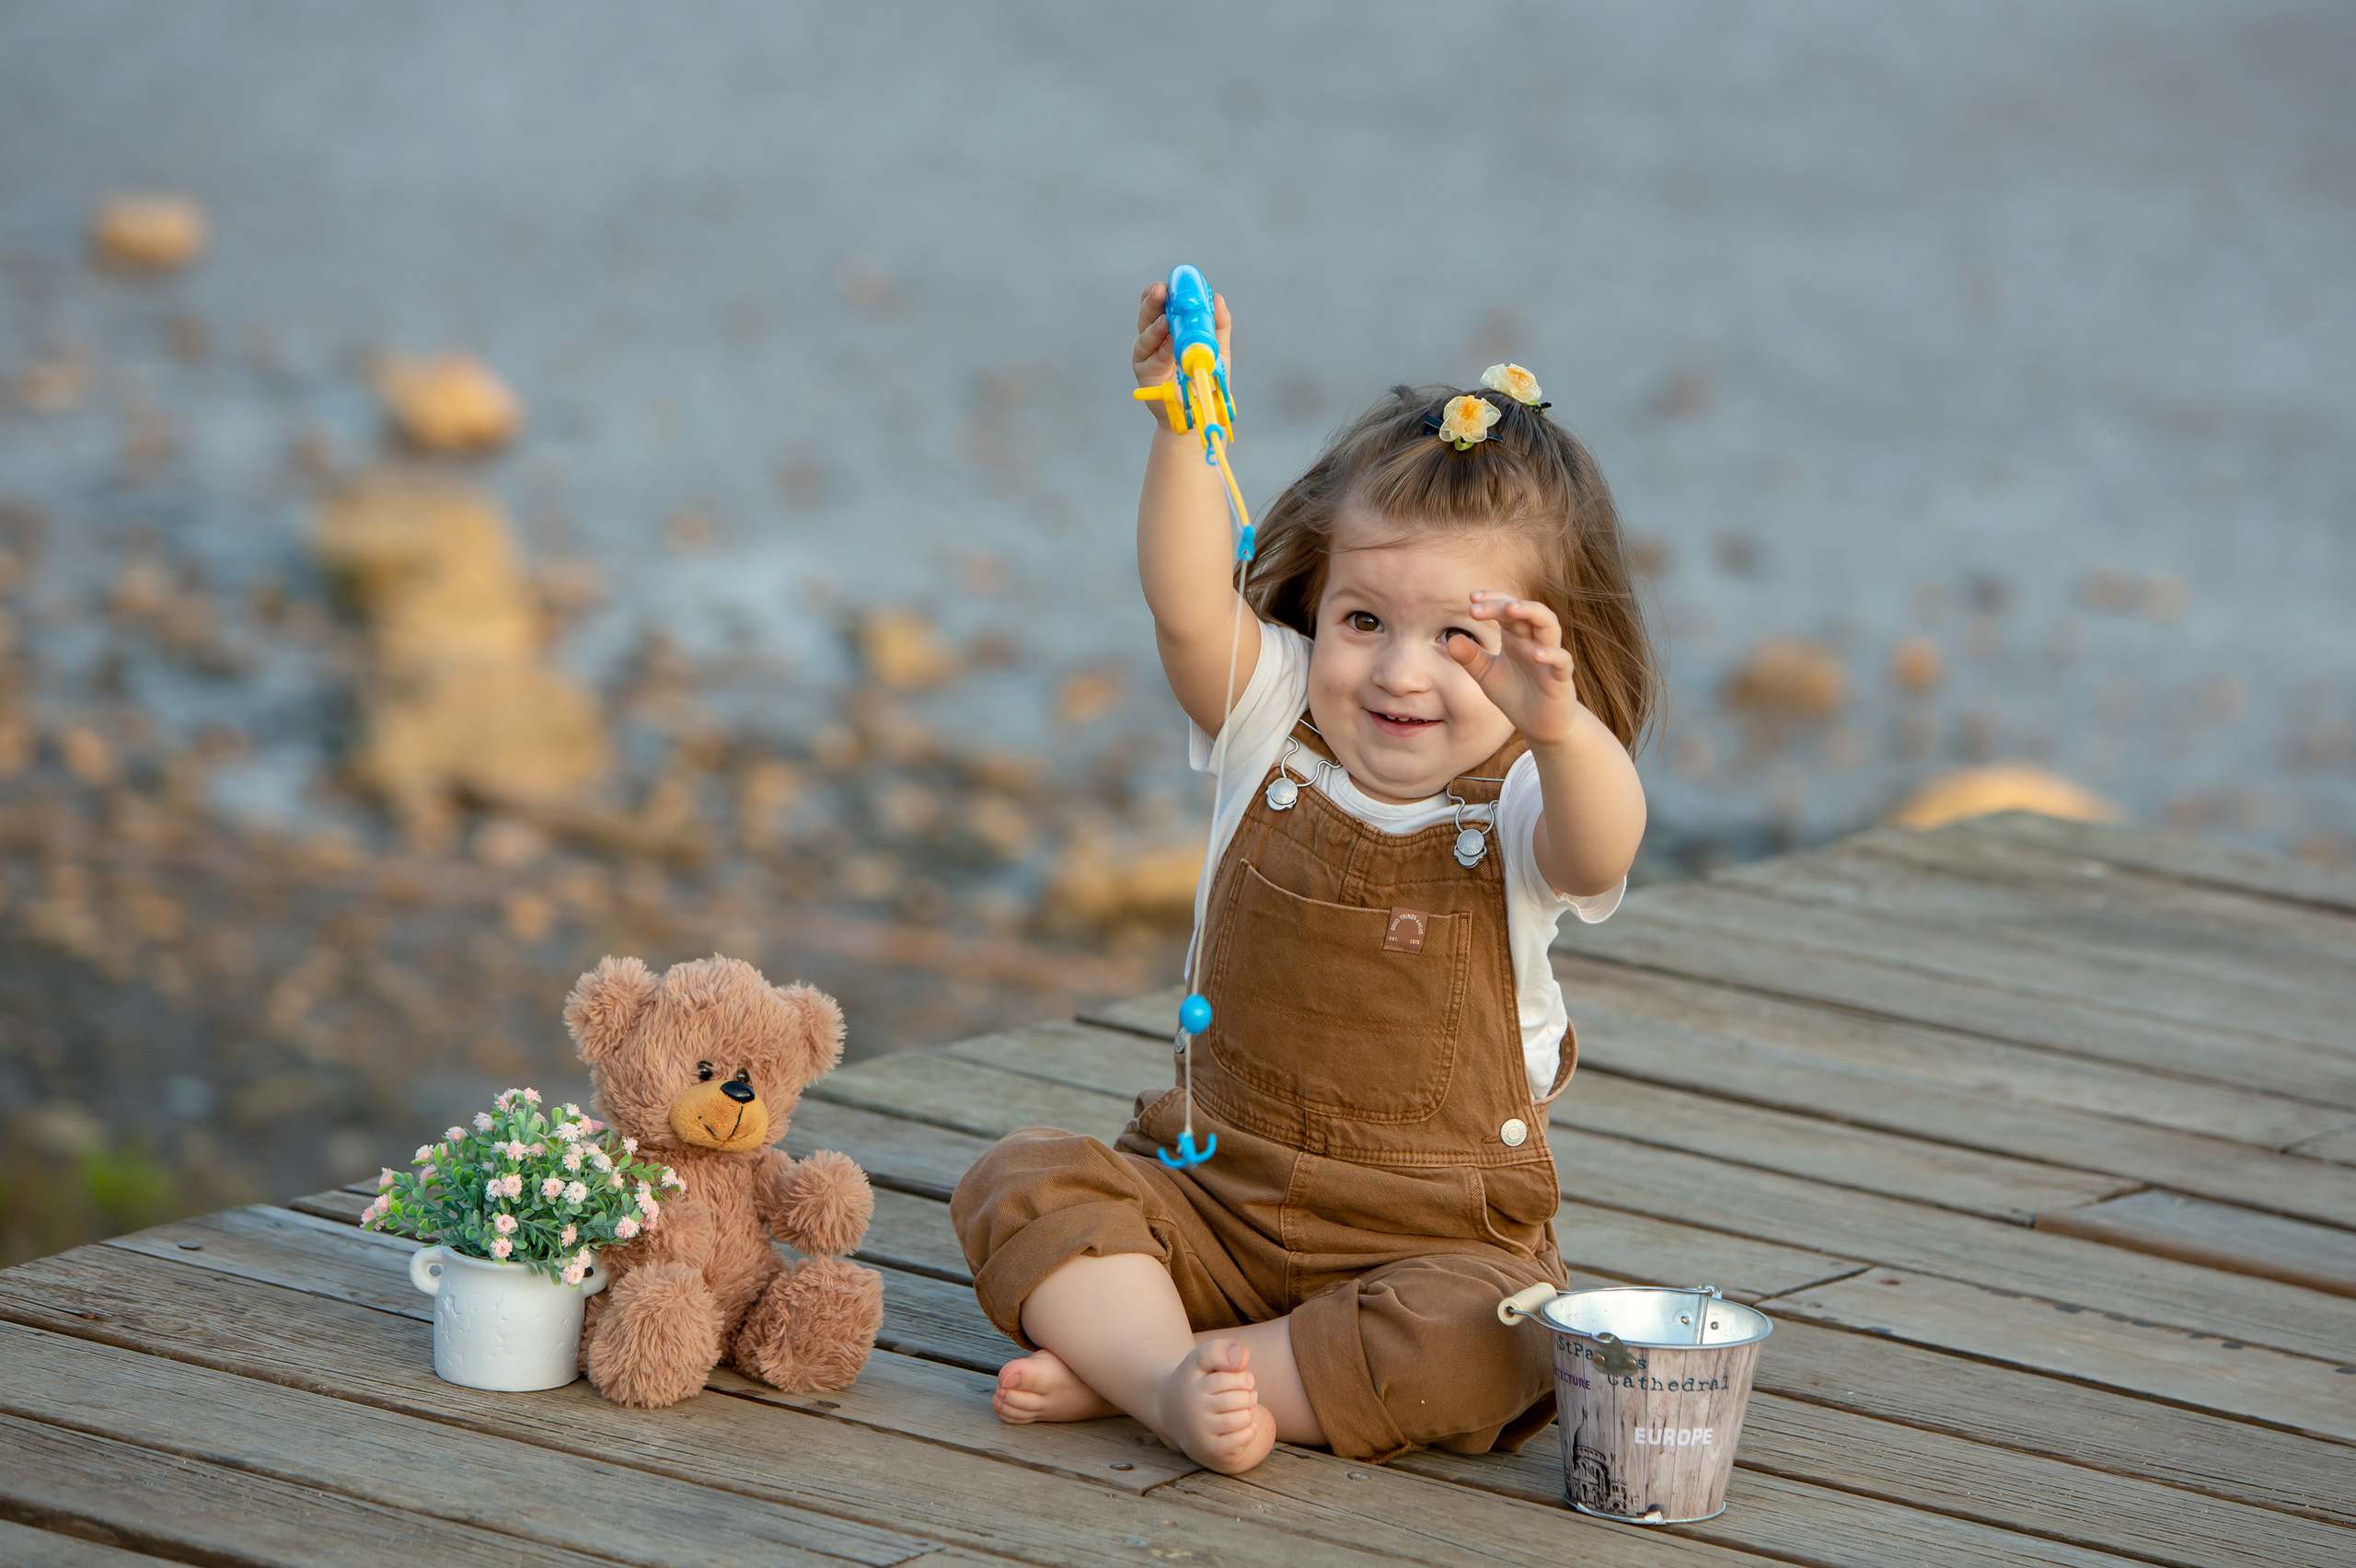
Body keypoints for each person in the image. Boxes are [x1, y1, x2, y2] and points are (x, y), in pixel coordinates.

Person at [950, 282, 1658, 1474]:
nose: (1403, 672)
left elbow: (1604, 848)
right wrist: (1184, 431)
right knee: (1021, 1181)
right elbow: (1185, 607)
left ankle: (1161, 1374)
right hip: (1212, 1202)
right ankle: (1185, 1376)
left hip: (1432, 1244)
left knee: (1502, 1342)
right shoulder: (1271, 718)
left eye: (1461, 639)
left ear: (1549, 652)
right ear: (1315, 606)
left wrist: (1565, 730)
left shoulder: (1530, 791)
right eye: (1366, 619)